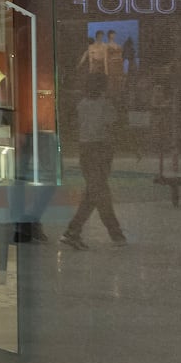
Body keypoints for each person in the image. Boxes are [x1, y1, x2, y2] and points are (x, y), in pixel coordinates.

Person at [62, 69, 126, 249]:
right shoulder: (105, 105)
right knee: (99, 193)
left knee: (94, 193)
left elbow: (78, 127)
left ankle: (75, 230)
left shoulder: (82, 104)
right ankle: (114, 233)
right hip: (101, 150)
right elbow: (112, 127)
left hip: (86, 151)